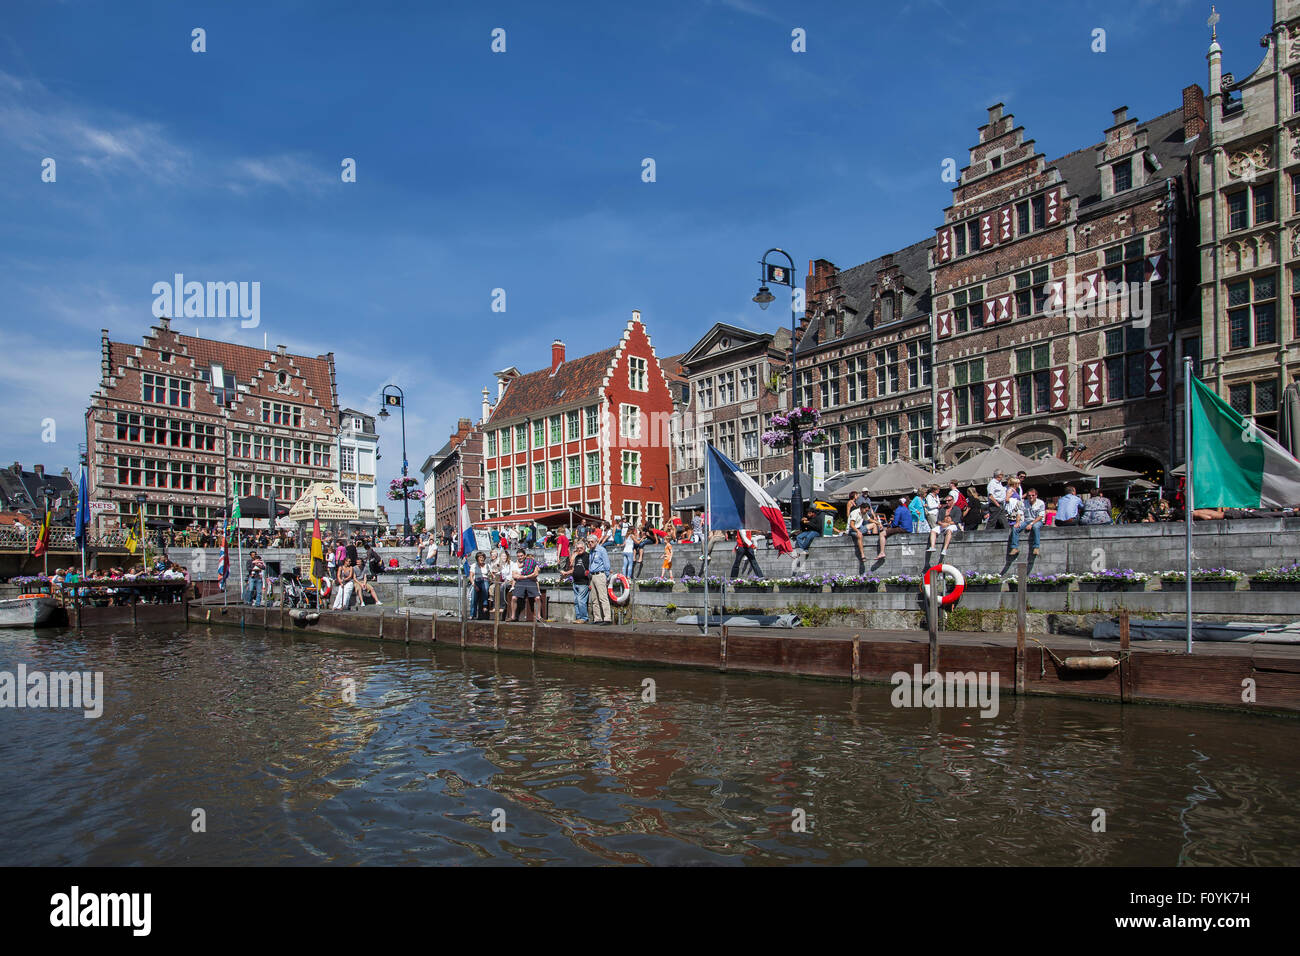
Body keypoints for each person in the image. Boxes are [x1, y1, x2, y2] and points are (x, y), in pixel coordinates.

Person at [1009, 487, 1047, 557]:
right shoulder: (1023, 502)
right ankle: (1014, 548)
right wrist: (1017, 522)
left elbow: (1041, 516)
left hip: (1037, 520)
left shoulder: (1041, 503)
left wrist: (1031, 524)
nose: (1031, 497)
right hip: (1026, 520)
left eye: (1033, 495)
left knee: (1035, 527)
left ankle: (1036, 547)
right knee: (1015, 528)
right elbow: (1019, 513)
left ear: (1036, 495)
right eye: (1029, 495)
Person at [928, 493, 963, 557]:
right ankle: (932, 546)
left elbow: (956, 521)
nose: (947, 502)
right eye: (946, 501)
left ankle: (944, 549)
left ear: (953, 501)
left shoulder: (957, 509)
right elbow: (938, 520)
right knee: (933, 530)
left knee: (949, 530)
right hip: (943, 524)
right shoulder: (942, 509)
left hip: (952, 525)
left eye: (949, 500)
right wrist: (942, 524)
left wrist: (948, 523)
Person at [587, 536, 612, 624]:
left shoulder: (601, 550)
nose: (590, 543)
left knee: (603, 597)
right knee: (594, 599)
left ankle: (607, 618)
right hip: (592, 576)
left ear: (596, 541)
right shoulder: (591, 551)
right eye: (588, 542)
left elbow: (606, 563)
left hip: (600, 574)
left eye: (592, 542)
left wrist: (607, 576)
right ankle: (597, 618)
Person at [567, 538, 591, 622]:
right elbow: (572, 567)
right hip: (575, 582)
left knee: (581, 601)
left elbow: (590, 568)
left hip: (583, 582)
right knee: (576, 601)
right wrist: (566, 573)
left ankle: (584, 618)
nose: (579, 549)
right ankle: (578, 617)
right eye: (577, 548)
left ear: (584, 548)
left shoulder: (587, 556)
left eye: (581, 548)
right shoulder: (576, 557)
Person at [469, 552, 491, 619]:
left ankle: (485, 605)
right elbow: (471, 576)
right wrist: (474, 585)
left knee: (485, 587)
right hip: (477, 581)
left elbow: (490, 575)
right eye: (480, 557)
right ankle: (472, 614)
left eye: (483, 557)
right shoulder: (474, 565)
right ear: (477, 558)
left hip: (485, 579)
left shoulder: (487, 565)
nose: (482, 559)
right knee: (473, 597)